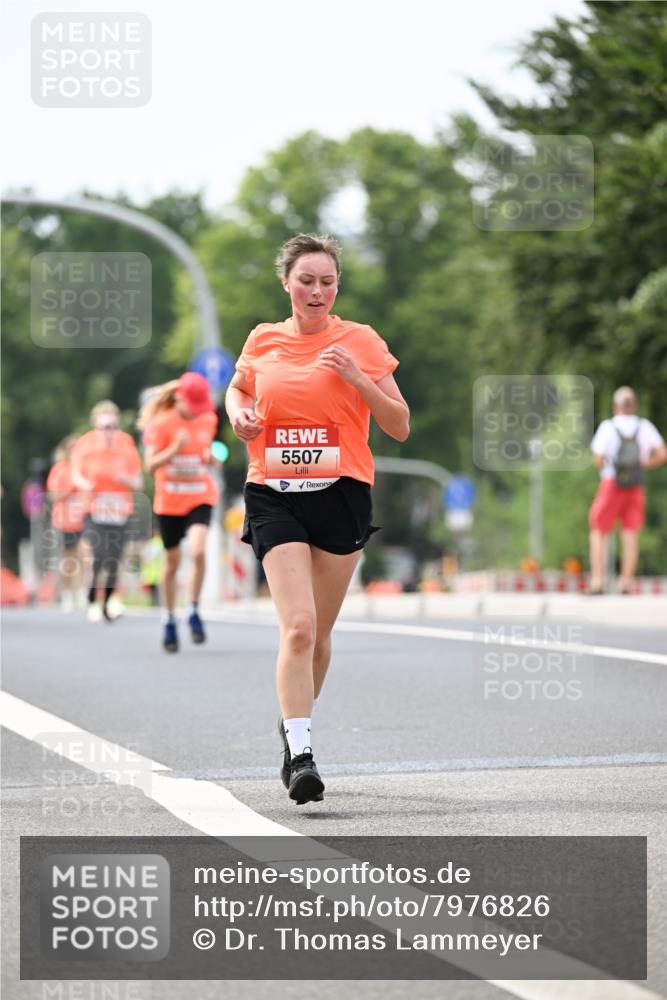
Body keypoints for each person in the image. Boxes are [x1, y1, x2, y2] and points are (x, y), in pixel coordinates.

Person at [225, 233, 409, 806]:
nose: (317, 291)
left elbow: (399, 424)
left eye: (327, 281)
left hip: (341, 491)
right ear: (286, 282)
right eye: (306, 280)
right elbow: (236, 391)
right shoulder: (263, 338)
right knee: (298, 627)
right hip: (273, 490)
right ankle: (303, 754)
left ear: (337, 287)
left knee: (321, 639)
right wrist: (239, 418)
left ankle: (291, 728)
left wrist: (357, 377)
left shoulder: (361, 341)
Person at [139, 372, 219, 652]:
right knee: (172, 561)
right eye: (192, 406)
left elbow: (209, 449)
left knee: (198, 551)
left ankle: (194, 610)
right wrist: (174, 448)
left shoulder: (208, 419)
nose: (197, 412)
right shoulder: (161, 423)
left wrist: (212, 457)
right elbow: (149, 466)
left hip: (200, 495)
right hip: (170, 501)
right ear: (179, 399)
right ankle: (169, 619)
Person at [588, 386, 667, 594]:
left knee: (599, 530)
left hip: (611, 484)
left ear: (615, 406)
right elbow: (662, 454)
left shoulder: (608, 427)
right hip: (635, 485)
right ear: (635, 405)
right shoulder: (645, 426)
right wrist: (642, 465)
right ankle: (625, 582)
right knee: (630, 533)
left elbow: (598, 459)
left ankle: (598, 581)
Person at [71, 402, 143, 621]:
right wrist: (84, 484)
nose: (108, 432)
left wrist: (126, 479)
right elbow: (75, 473)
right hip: (94, 508)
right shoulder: (85, 444)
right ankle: (93, 599)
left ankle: (110, 600)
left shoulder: (126, 444)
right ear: (95, 425)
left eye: (112, 426)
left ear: (117, 425)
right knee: (98, 556)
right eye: (103, 427)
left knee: (114, 558)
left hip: (120, 510)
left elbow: (138, 482)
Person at [46, 434, 85, 612]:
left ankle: (82, 592)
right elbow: (53, 495)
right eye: (71, 448)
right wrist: (70, 489)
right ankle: (67, 593)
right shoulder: (59, 469)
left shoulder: (84, 468)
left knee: (84, 556)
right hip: (66, 521)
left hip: (84, 519)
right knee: (69, 558)